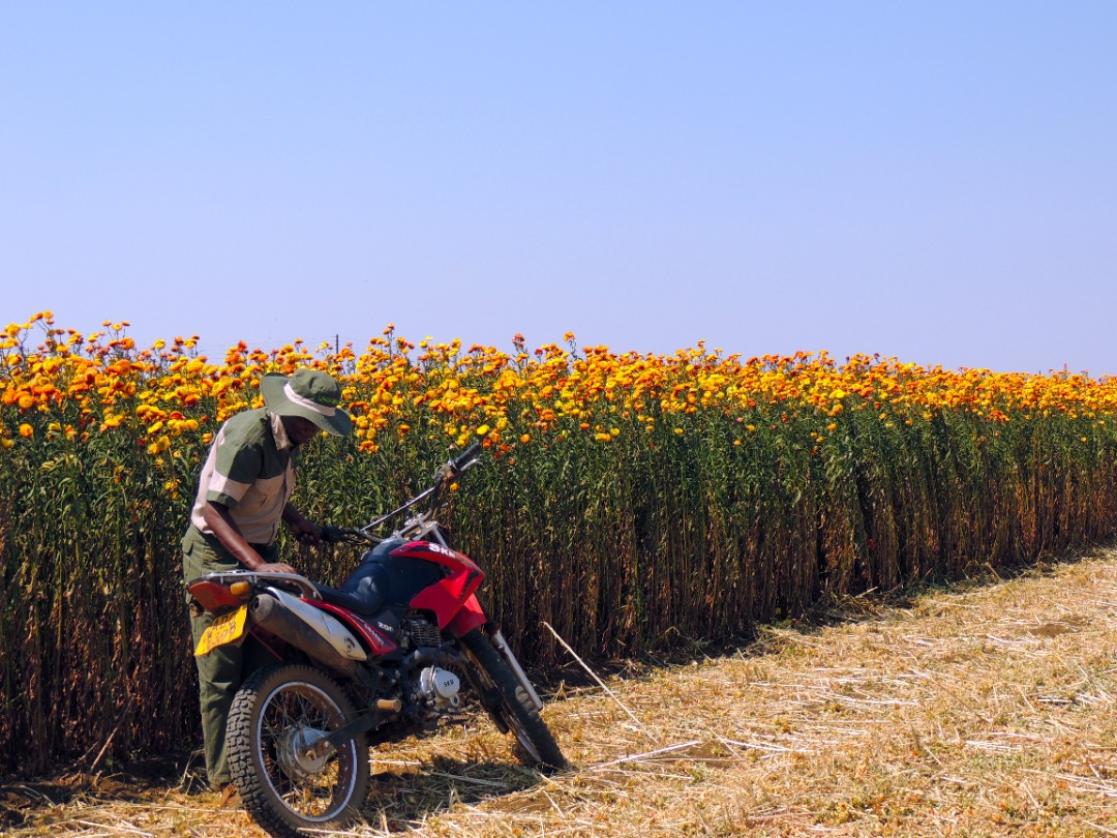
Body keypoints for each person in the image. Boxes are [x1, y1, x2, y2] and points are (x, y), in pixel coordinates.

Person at [180, 368, 353, 790]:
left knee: (264, 665)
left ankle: (257, 769)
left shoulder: (286, 441)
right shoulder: (249, 439)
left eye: (318, 425)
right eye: (308, 423)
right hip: (217, 559)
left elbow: (264, 495)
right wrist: (257, 567)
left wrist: (299, 523)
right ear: (287, 411)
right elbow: (214, 512)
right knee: (222, 672)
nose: (313, 433)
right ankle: (226, 781)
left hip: (257, 552)